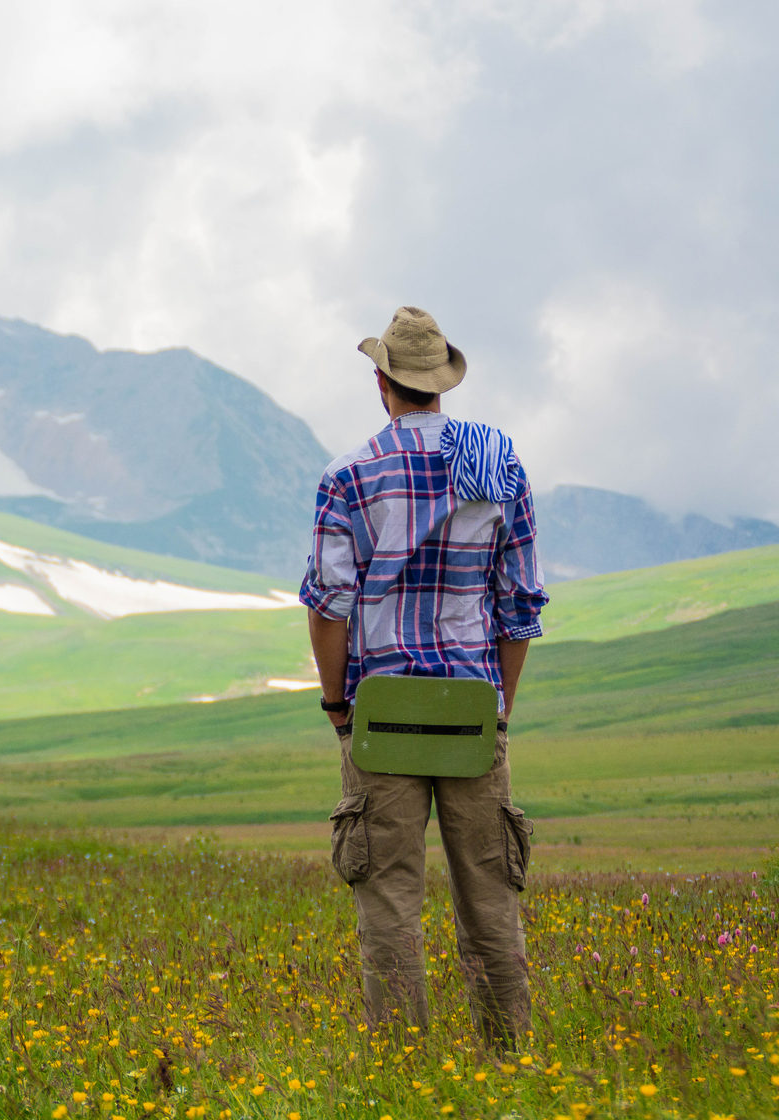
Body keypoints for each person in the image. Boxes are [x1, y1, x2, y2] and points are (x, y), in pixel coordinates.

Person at [298, 306, 548, 1048]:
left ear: (382, 382)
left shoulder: (348, 474)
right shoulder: (499, 467)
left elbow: (328, 608)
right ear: (441, 383)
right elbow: (520, 607)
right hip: (472, 706)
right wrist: (498, 711)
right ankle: (508, 1063)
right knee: (490, 903)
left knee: (389, 904)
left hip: (382, 712)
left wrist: (338, 705)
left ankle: (404, 1073)